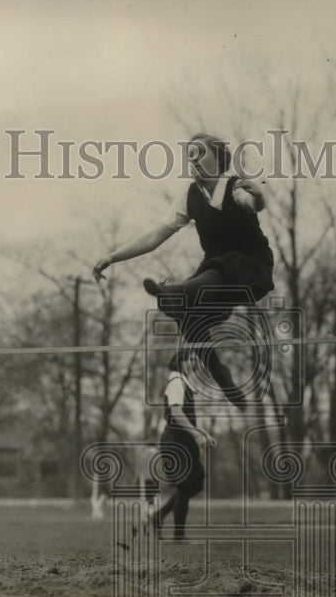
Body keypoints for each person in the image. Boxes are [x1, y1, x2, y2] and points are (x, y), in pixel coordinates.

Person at [92, 133, 273, 410]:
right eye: (190, 156)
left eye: (200, 153)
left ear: (218, 156)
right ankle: (220, 373)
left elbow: (252, 204)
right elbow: (154, 237)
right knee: (182, 311)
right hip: (215, 277)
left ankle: (177, 291)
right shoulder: (190, 195)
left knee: (207, 275)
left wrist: (259, 195)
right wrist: (112, 257)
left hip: (249, 267)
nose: (194, 160)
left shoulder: (234, 186)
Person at [152, 352, 216, 541]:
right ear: (179, 361)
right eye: (190, 360)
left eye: (195, 361)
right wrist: (197, 434)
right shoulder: (176, 382)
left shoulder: (183, 382)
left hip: (183, 439)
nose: (193, 364)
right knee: (188, 484)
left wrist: (202, 434)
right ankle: (177, 534)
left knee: (194, 483)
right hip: (175, 440)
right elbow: (176, 413)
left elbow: (185, 416)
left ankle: (159, 517)